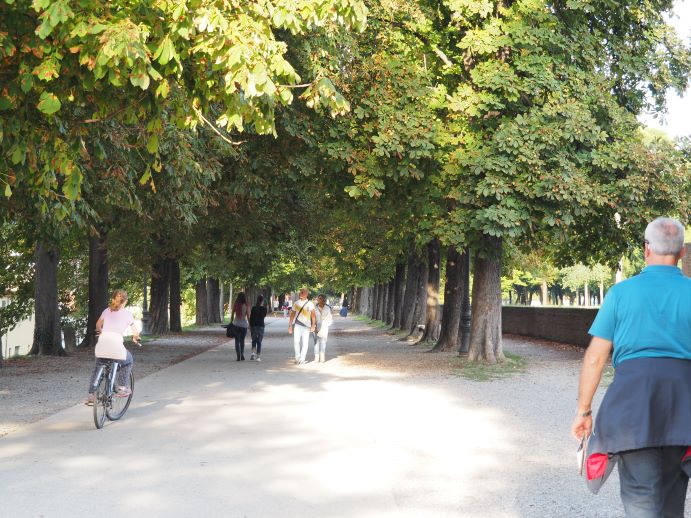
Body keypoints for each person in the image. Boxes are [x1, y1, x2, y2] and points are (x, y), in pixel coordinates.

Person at [571, 217, 691, 517]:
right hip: (684, 407)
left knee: (640, 498)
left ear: (646, 249)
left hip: (633, 406)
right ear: (682, 253)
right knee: (674, 499)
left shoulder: (621, 294)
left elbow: (596, 357)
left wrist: (584, 411)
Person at [85, 289, 140, 405]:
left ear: (113, 299)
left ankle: (92, 394)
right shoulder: (127, 314)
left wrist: (101, 331)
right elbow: (135, 332)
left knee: (98, 367)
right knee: (128, 360)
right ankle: (123, 387)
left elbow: (98, 325)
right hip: (116, 345)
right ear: (125, 301)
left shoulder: (106, 310)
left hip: (102, 342)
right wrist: (135, 338)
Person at [288, 288, 316, 364]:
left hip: (306, 326)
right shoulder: (296, 303)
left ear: (307, 294)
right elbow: (292, 315)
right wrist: (290, 325)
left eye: (303, 292)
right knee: (296, 342)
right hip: (297, 325)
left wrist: (313, 326)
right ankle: (297, 358)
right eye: (300, 292)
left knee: (305, 343)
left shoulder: (310, 304)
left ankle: (302, 359)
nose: (301, 293)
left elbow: (313, 316)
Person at [230, 292, 250, 361]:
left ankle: (238, 356)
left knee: (237, 341)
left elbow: (232, 314)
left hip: (236, 325)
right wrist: (250, 324)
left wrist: (231, 322)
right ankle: (242, 354)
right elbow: (248, 316)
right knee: (242, 341)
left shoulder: (236, 305)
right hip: (244, 325)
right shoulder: (246, 305)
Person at [313, 294, 333, 362]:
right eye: (318, 298)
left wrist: (326, 322)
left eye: (320, 298)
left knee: (323, 342)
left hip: (324, 326)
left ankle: (322, 356)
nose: (319, 300)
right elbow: (312, 317)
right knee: (316, 342)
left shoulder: (327, 308)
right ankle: (316, 357)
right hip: (316, 326)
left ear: (324, 300)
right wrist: (313, 325)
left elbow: (330, 318)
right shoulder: (314, 308)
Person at [249, 295, 268, 361]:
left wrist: (250, 326)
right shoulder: (264, 309)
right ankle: (258, 356)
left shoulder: (253, 308)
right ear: (262, 301)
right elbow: (264, 316)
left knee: (254, 340)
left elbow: (251, 318)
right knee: (259, 341)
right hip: (261, 326)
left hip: (254, 326)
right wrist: (266, 307)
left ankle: (253, 353)